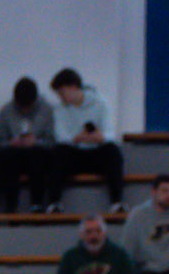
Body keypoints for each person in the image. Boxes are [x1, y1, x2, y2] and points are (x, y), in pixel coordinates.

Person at [48, 67, 124, 213]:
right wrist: (77, 138)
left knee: (113, 151)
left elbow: (110, 133)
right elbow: (60, 136)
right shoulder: (59, 109)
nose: (60, 97)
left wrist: (99, 137)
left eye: (62, 92)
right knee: (58, 152)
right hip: (74, 153)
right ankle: (54, 204)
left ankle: (117, 203)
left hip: (96, 152)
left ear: (73, 87)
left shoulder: (100, 103)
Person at [0, 77, 58, 213]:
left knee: (38, 155)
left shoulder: (47, 110)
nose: (24, 110)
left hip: (39, 153)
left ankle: (37, 204)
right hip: (14, 153)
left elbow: (53, 141)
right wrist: (11, 143)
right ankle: (11, 206)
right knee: (8, 157)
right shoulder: (6, 111)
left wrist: (36, 142)